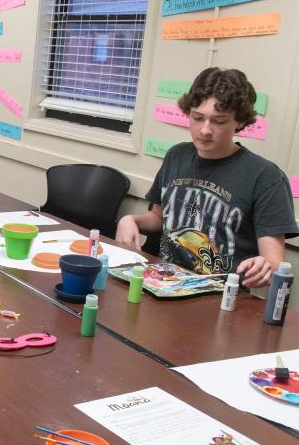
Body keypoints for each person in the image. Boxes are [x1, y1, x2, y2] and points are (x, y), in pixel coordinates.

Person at [116, 68, 297, 288]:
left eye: (219, 121)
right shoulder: (177, 156)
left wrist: (265, 267)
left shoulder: (266, 177)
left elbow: (274, 262)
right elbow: (159, 217)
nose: (205, 130)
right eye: (197, 118)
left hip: (218, 295)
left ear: (239, 122)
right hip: (160, 281)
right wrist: (131, 220)